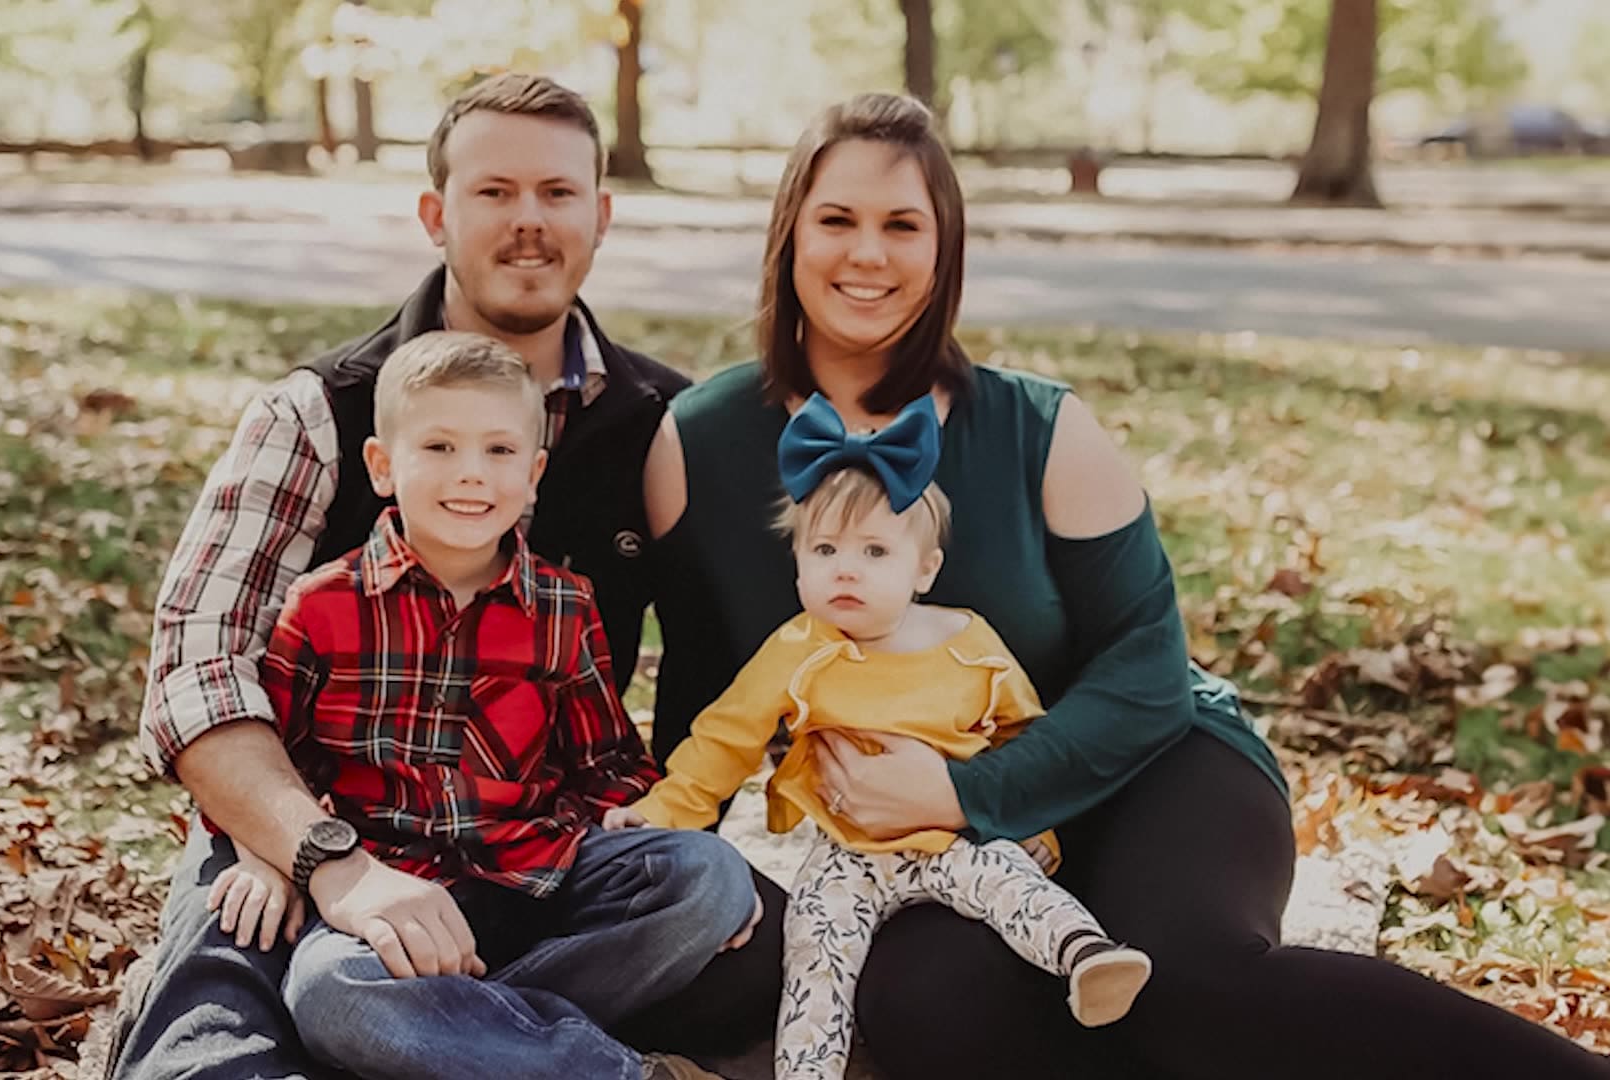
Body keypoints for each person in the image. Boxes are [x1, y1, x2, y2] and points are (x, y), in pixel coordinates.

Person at [641, 91, 1610, 1079]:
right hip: (925, 846)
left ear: (945, 249)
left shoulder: (1042, 427)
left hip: (1148, 769)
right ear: (789, 235)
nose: (868, 254)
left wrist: (968, 787)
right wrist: (683, 867)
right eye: (837, 219)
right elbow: (702, 693)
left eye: (903, 225)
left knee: (1188, 983)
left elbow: (1147, 668)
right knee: (925, 1010)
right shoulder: (699, 442)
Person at [114, 74, 786, 1080]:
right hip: (321, 829)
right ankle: (422, 1030)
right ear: (436, 214)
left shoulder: (657, 422)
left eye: (557, 193)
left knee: (745, 931)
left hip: (538, 850)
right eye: (494, 192)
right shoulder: (319, 411)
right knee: (219, 1036)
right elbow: (196, 670)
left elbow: (723, 660)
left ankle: (430, 1034)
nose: (529, 221)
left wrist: (663, 822)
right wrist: (323, 861)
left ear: (601, 215)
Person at [202, 331, 756, 1079]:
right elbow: (277, 768)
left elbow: (607, 761)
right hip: (392, 896)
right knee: (332, 991)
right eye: (439, 447)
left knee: (711, 876)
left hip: (541, 875)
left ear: (533, 474)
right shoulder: (323, 605)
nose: (471, 473)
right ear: (382, 466)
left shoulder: (564, 606)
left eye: (499, 451)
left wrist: (652, 823)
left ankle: (458, 1038)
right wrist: (265, 857)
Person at [611, 395, 1151, 1080]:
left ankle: (1087, 958)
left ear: (923, 569)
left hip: (953, 837)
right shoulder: (797, 649)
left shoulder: (968, 642)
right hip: (849, 853)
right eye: (824, 550)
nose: (846, 569)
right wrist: (663, 812)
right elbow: (725, 739)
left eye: (874, 551)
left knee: (1008, 879)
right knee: (815, 949)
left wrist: (1030, 826)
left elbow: (1024, 736)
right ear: (797, 564)